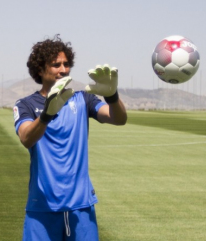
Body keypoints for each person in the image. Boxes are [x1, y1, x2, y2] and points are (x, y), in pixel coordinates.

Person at [13, 34, 127, 241]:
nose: (63, 70)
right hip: (42, 207)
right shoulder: (26, 105)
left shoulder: (83, 99)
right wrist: (47, 114)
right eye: (56, 65)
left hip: (81, 206)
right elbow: (26, 138)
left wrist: (112, 96)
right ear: (40, 69)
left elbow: (118, 118)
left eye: (66, 64)